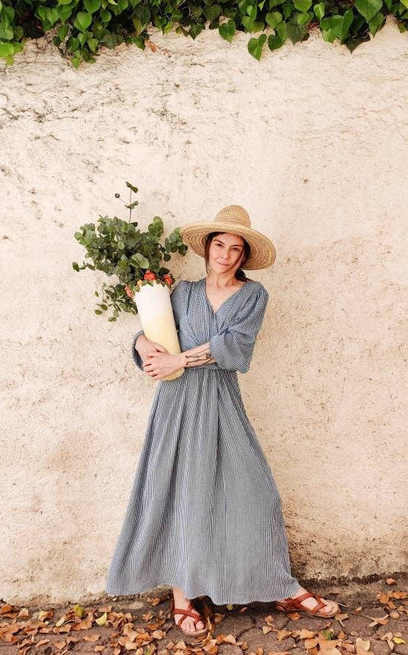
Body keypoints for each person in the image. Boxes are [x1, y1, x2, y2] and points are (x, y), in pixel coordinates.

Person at [106, 205, 339, 636]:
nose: (226, 255)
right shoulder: (181, 293)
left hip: (221, 399)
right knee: (178, 490)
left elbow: (235, 345)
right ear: (207, 248)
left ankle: (277, 583)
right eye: (220, 245)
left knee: (256, 492)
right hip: (175, 401)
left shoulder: (254, 295)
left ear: (244, 256)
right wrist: (140, 342)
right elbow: (153, 332)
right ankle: (183, 594)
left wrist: (180, 357)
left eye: (236, 248)